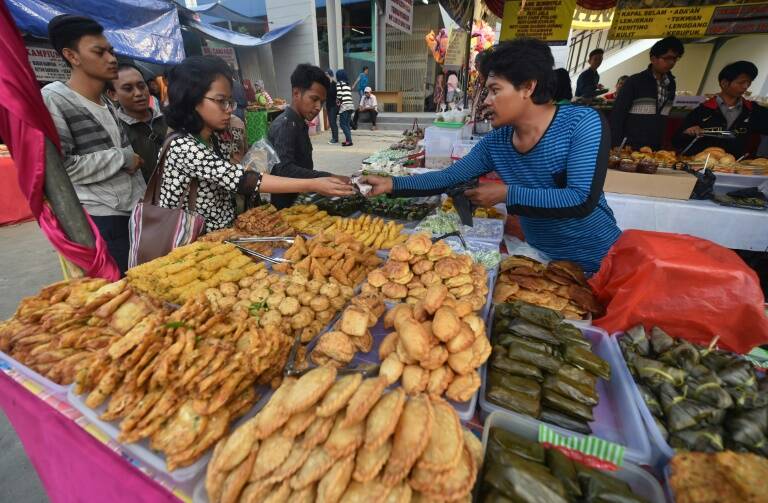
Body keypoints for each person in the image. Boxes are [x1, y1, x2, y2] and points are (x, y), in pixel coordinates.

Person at [361, 39, 621, 274]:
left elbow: (581, 198)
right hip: (539, 261)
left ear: (528, 87)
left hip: (599, 262)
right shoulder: (498, 141)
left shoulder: (581, 124)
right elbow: (449, 177)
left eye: (495, 90)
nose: (486, 100)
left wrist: (505, 193)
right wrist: (392, 184)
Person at [162, 56, 353, 232]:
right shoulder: (182, 147)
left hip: (223, 237)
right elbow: (242, 180)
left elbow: (236, 178)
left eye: (230, 102)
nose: (229, 110)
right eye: (221, 101)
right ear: (191, 99)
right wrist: (315, 183)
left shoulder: (213, 139)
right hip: (192, 246)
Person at [42, 15, 145, 275]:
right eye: (99, 52)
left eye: (110, 51)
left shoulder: (106, 102)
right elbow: (60, 170)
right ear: (72, 56)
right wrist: (122, 158)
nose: (111, 59)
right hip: (103, 218)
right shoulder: (55, 100)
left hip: (133, 212)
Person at [266, 63, 353, 209]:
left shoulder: (299, 122)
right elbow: (284, 169)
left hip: (299, 200)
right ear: (296, 94)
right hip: (285, 207)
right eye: (314, 99)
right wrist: (326, 177)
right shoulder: (286, 125)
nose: (319, 107)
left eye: (322, 102)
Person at [674, 61, 768, 158]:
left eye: (748, 83)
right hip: (699, 165)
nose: (746, 87)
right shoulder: (702, 110)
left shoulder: (752, 110)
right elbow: (677, 141)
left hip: (734, 167)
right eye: (741, 82)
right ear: (724, 83)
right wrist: (688, 132)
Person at [610, 36, 684, 149]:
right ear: (653, 59)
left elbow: (663, 115)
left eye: (675, 59)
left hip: (654, 147)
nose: (671, 62)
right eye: (667, 58)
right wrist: (616, 144)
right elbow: (617, 115)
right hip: (629, 145)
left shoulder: (671, 84)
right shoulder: (635, 81)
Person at [106, 63, 168, 183]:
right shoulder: (115, 130)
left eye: (141, 86)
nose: (139, 93)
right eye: (128, 89)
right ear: (113, 94)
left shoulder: (169, 118)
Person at [335, 69, 355, 147]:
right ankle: (348, 140)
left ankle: (349, 141)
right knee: (346, 124)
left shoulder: (339, 83)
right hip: (350, 105)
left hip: (344, 106)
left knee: (342, 124)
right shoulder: (347, 84)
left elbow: (339, 94)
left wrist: (337, 101)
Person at [325, 69, 339, 144]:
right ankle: (334, 137)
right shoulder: (326, 85)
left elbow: (335, 95)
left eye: (326, 75)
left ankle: (335, 139)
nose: (325, 76)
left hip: (334, 106)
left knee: (333, 122)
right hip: (328, 106)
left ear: (330, 75)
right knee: (331, 122)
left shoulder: (334, 84)